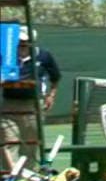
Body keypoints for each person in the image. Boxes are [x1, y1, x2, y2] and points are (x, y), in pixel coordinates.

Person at [1, 26, 61, 172]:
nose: (22, 44)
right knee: (6, 141)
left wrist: (51, 95)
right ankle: (11, 175)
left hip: (33, 106)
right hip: (9, 105)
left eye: (26, 41)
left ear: (32, 42)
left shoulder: (44, 56)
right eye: (20, 41)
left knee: (30, 144)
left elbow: (56, 77)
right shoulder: (7, 56)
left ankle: (26, 177)